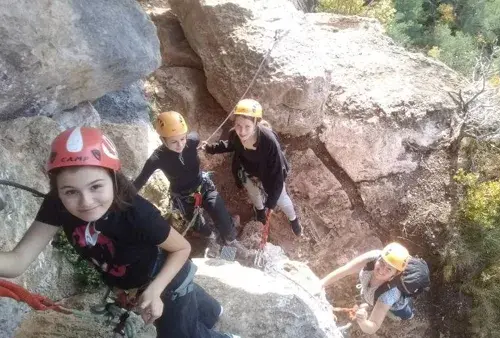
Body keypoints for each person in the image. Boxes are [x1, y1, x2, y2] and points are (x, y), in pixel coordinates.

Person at [0, 127, 238, 338]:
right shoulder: (57, 205)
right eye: (71, 191)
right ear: (57, 190)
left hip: (165, 274)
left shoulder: (134, 211)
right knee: (191, 311)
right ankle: (211, 311)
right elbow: (18, 261)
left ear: (113, 178)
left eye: (95, 186)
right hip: (135, 279)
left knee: (179, 333)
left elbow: (182, 248)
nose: (86, 202)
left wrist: (155, 291)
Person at [133, 111, 239, 246]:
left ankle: (230, 240)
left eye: (182, 139)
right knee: (199, 226)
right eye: (174, 142)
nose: (180, 145)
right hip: (183, 197)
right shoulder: (157, 158)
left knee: (221, 214)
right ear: (162, 140)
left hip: (203, 186)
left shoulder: (192, 141)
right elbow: (141, 180)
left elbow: (196, 137)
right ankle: (212, 239)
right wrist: (122, 198)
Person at [201, 99, 302, 236]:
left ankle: (293, 219)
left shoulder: (268, 141)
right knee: (254, 193)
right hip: (248, 170)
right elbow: (229, 144)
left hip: (269, 173)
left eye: (247, 126)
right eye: (238, 125)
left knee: (281, 199)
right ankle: (259, 211)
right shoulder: (235, 134)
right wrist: (210, 148)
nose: (242, 132)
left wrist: (271, 203)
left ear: (256, 123)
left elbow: (278, 173)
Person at [319, 242, 415, 335]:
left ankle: (410, 313)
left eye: (389, 269)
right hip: (371, 293)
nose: (381, 270)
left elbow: (373, 326)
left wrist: (363, 322)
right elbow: (345, 270)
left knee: (401, 314)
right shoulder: (372, 258)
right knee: (374, 300)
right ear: (379, 257)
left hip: (396, 305)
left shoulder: (389, 294)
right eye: (381, 262)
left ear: (395, 274)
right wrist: (321, 283)